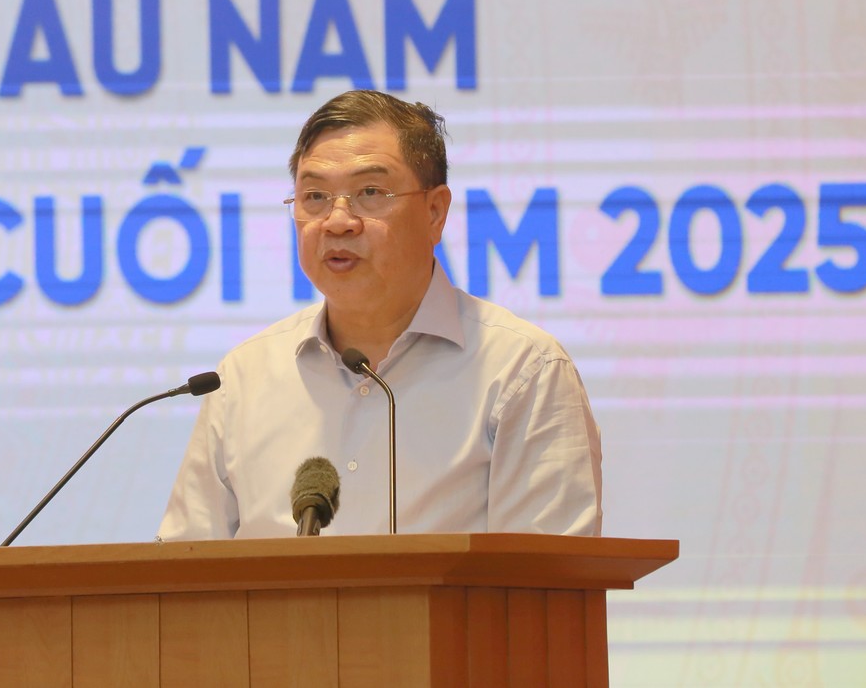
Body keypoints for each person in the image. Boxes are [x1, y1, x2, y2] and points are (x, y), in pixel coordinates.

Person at [157, 90, 602, 539]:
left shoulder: (521, 371)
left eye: (370, 192)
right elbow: (181, 569)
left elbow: (542, 576)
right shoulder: (242, 379)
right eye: (315, 196)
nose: (337, 221)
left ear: (435, 212)